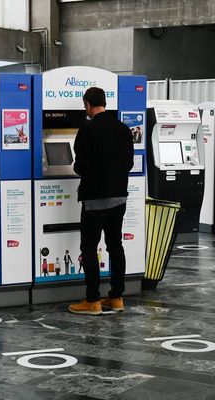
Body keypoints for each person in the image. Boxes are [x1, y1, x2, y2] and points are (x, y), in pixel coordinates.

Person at [68, 87, 133, 315]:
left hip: (95, 201)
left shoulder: (88, 129)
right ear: (104, 103)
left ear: (87, 105)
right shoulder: (123, 129)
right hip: (119, 199)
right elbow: (129, 164)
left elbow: (80, 166)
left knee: (89, 247)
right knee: (115, 247)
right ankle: (116, 298)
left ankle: (92, 301)